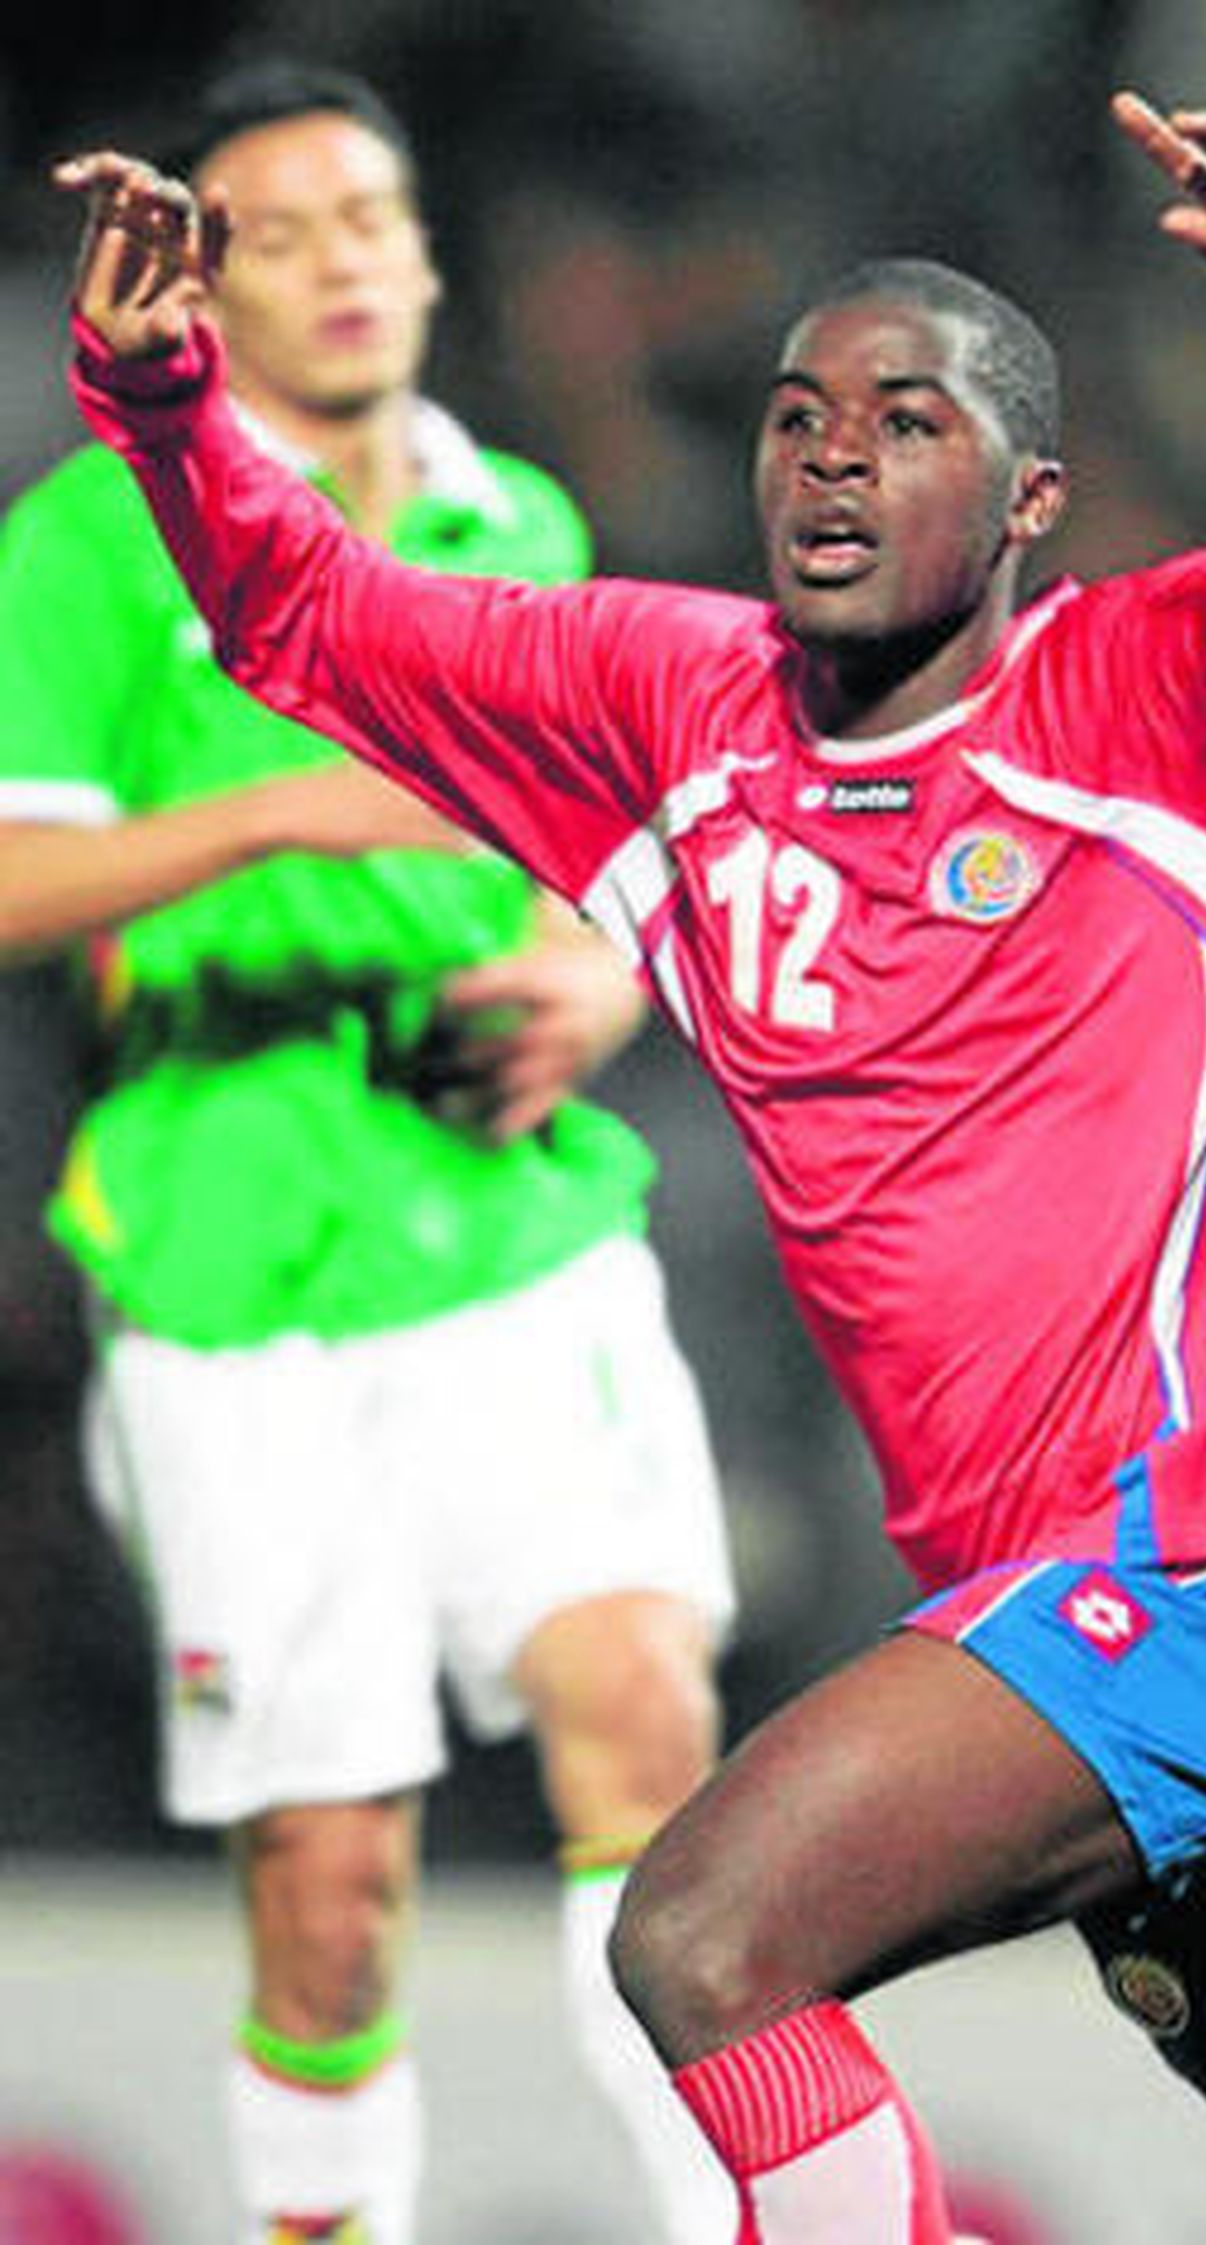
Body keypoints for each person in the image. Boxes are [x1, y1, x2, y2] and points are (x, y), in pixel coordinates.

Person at [52, 83, 1206, 2241]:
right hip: (1038, 1614)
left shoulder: (1179, 702)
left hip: (1181, 1565)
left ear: (1033, 493)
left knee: (699, 1940)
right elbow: (305, 611)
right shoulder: (665, 708)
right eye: (792, 415)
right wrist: (160, 390)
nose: (831, 451)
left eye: (904, 417)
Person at [5, 60, 738, 2245]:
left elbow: (600, 847)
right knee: (330, 1891)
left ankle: (749, 2220)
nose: (339, 263)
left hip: (509, 1221)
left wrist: (596, 976)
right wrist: (271, 810)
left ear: (427, 258)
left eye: (369, 219)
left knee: (647, 1728)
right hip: (234, 1253)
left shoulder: (517, 521)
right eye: (280, 231)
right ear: (197, 295)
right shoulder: (76, 541)